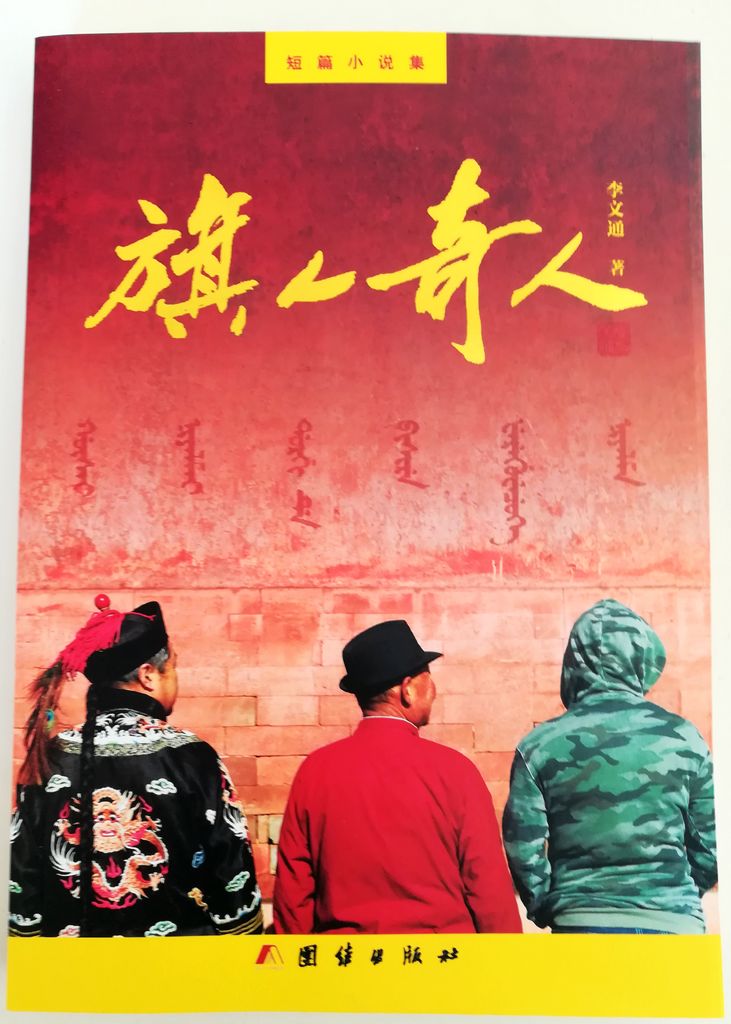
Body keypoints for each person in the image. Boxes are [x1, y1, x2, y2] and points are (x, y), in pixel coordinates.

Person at [9, 594, 262, 938]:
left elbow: (20, 877)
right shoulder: (193, 756)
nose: (176, 679)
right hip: (181, 963)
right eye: (172, 668)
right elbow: (232, 874)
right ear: (148, 676)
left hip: (69, 965)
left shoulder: (50, 755)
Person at [273, 619, 521, 934]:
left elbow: (293, 893)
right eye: (428, 678)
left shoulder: (315, 771)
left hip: (347, 960)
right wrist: (506, 956)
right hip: (441, 958)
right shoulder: (455, 771)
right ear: (407, 689)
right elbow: (487, 885)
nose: (434, 691)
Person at [502, 598, 717, 934]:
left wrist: (549, 906)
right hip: (674, 928)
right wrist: (676, 898)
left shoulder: (538, 745)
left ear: (573, 663)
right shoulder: (685, 738)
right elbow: (712, 843)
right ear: (643, 658)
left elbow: (522, 846)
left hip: (580, 924)